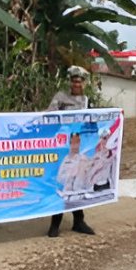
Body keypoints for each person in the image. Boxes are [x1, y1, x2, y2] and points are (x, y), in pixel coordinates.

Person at [46, 65, 96, 237]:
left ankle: (79, 221)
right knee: (62, 184)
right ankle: (55, 224)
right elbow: (49, 116)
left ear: (84, 83)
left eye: (79, 81)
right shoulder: (61, 98)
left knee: (78, 183)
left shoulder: (87, 101)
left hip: (79, 146)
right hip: (61, 147)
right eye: (74, 81)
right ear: (70, 82)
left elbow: (94, 120)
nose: (77, 84)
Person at [89, 128, 115, 192]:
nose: (105, 141)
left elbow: (113, 173)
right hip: (95, 186)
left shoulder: (113, 156)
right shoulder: (96, 156)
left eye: (107, 138)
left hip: (107, 185)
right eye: (103, 138)